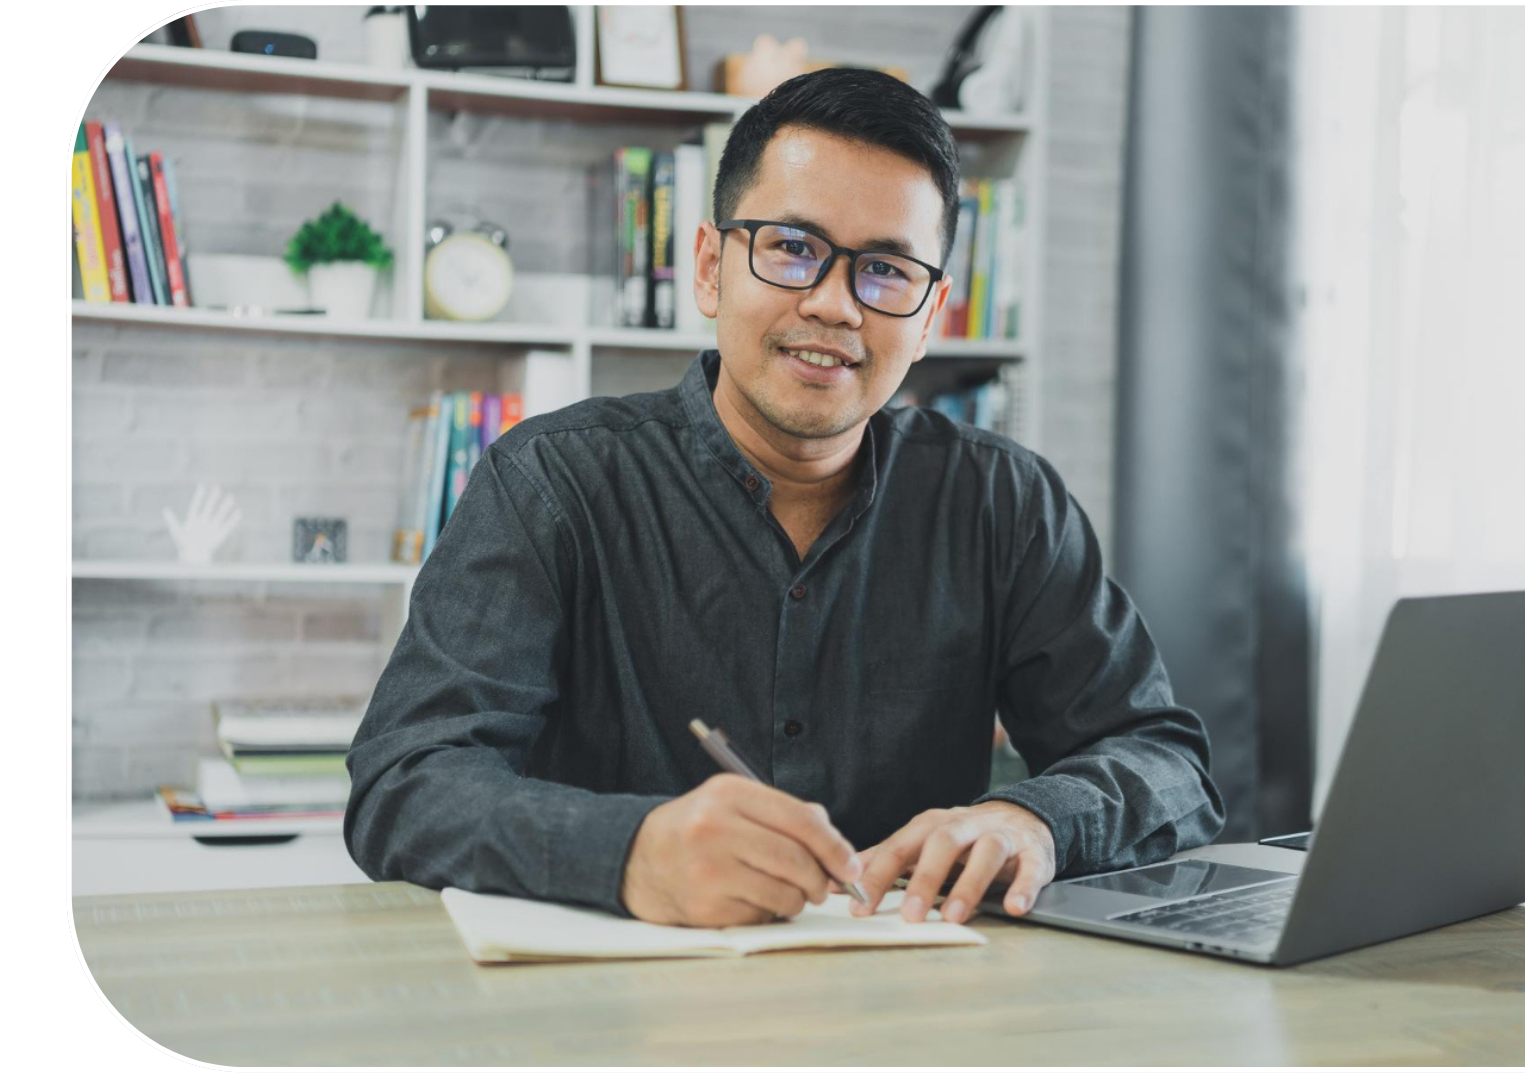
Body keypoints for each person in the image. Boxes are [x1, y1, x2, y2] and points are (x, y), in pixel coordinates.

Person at [345, 67, 1224, 930]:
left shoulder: (1002, 502)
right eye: (793, 249)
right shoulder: (553, 484)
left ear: (928, 317)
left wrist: (1032, 820)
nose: (836, 304)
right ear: (709, 266)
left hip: (919, 1011)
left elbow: (1164, 759)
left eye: (885, 270)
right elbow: (405, 783)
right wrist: (626, 851)